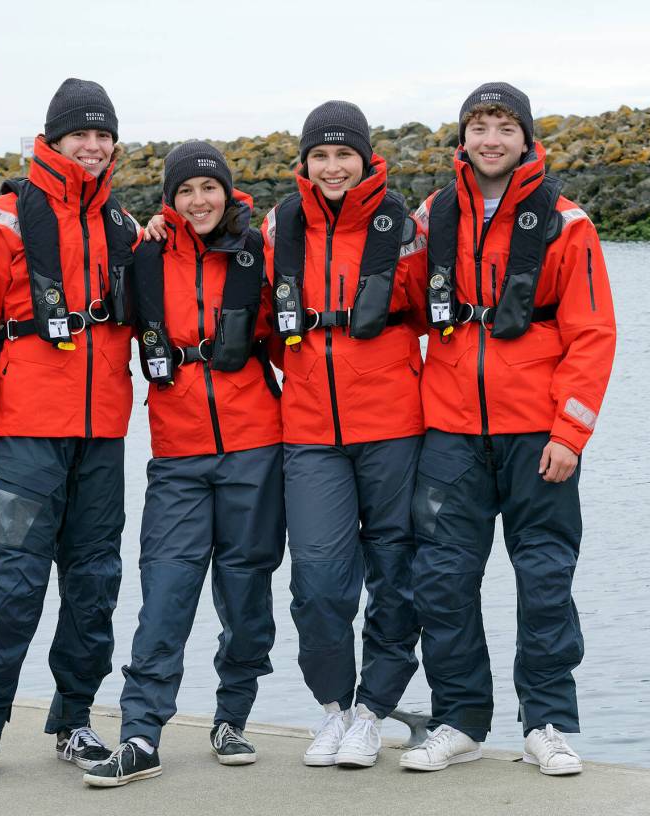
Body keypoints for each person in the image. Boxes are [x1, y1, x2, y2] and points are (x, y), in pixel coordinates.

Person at [399, 82, 616, 775]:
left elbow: (593, 336)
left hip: (538, 439)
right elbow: (379, 282)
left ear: (525, 138)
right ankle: (459, 719)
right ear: (462, 139)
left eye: (504, 126)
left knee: (545, 579)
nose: (491, 138)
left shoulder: (567, 224)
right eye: (479, 126)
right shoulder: (430, 216)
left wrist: (569, 434)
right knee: (440, 580)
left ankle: (546, 723)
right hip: (451, 435)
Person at [0, 78, 139, 783]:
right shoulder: (2, 217)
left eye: (102, 134)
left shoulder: (125, 226)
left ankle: (75, 722)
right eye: (79, 134)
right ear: (52, 140)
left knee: (95, 587)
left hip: (101, 437)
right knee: (14, 585)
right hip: (23, 436)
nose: (91, 146)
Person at [83, 142, 285, 787]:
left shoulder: (260, 253)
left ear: (229, 192)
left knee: (247, 596)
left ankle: (233, 719)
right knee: (165, 595)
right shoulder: (144, 254)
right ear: (168, 200)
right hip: (176, 454)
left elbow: (290, 343)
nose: (199, 201)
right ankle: (140, 735)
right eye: (185, 191)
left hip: (256, 445)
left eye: (210, 188)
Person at [261, 101, 427, 769]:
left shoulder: (404, 227)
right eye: (320, 155)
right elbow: (267, 324)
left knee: (396, 577)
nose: (332, 167)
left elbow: (429, 313)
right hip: (308, 432)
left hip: (393, 427)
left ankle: (373, 712)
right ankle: (333, 705)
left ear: (365, 158)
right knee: (320, 581)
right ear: (305, 162)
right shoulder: (278, 227)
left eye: (344, 154)